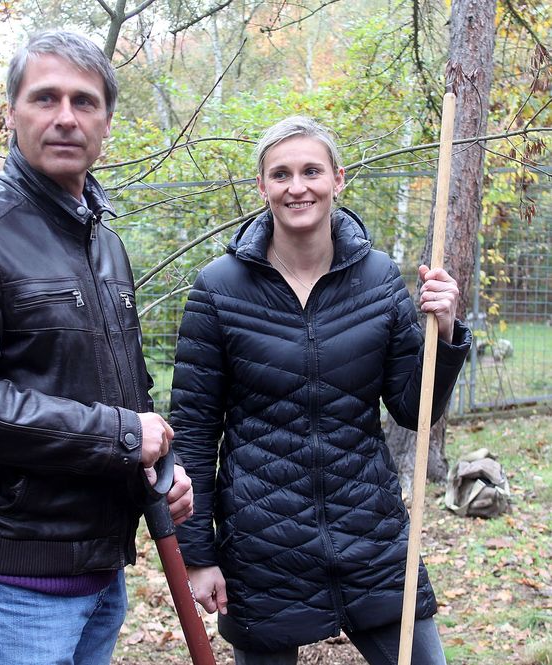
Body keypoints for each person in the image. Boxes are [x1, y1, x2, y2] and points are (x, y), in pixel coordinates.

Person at [0, 30, 192, 665]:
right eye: (45, 98)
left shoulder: (104, 246)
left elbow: (123, 389)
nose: (66, 117)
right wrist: (120, 435)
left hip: (96, 567)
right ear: (12, 114)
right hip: (9, 584)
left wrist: (159, 465)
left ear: (107, 122)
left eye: (85, 102)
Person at [169, 115, 471, 665]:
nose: (297, 186)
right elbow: (191, 430)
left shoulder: (378, 278)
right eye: (281, 174)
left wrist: (445, 333)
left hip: (370, 535)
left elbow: (413, 410)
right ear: (262, 187)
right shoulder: (219, 289)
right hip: (262, 546)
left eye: (312, 171)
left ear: (338, 178)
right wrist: (197, 554)